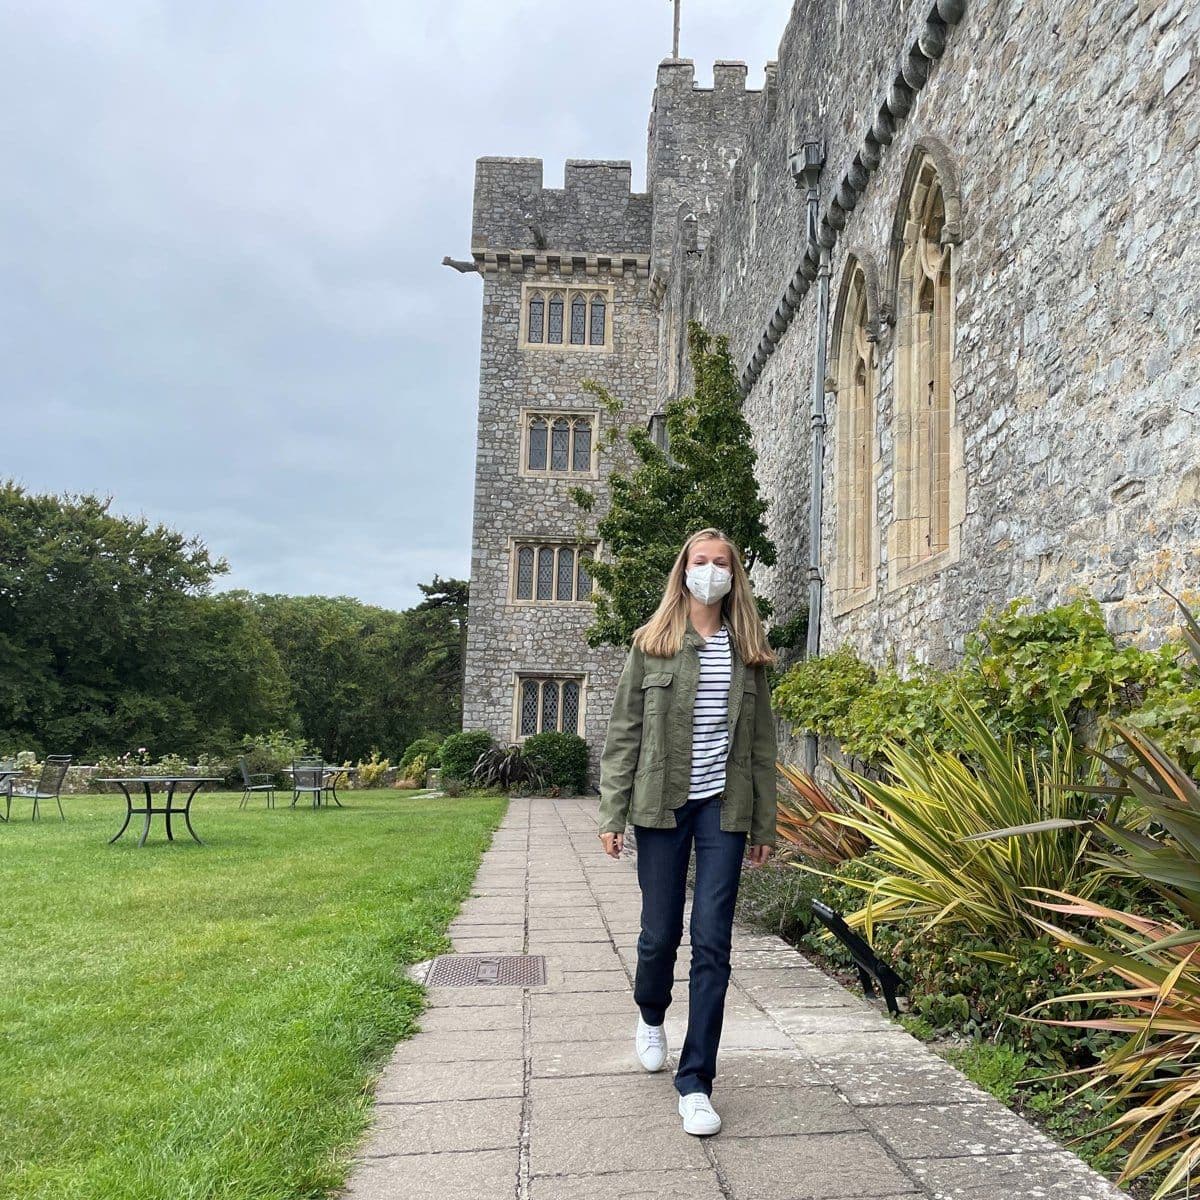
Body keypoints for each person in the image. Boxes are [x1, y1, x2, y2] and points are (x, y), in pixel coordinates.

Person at [596, 526, 778, 1136]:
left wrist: (764, 824)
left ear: (734, 574)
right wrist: (611, 812)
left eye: (719, 563)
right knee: (658, 933)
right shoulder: (652, 644)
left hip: (724, 809)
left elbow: (759, 747)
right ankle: (651, 1014)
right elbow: (624, 733)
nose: (709, 571)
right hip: (660, 804)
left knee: (713, 941)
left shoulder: (748, 650)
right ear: (684, 570)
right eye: (700, 561)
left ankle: (696, 1080)